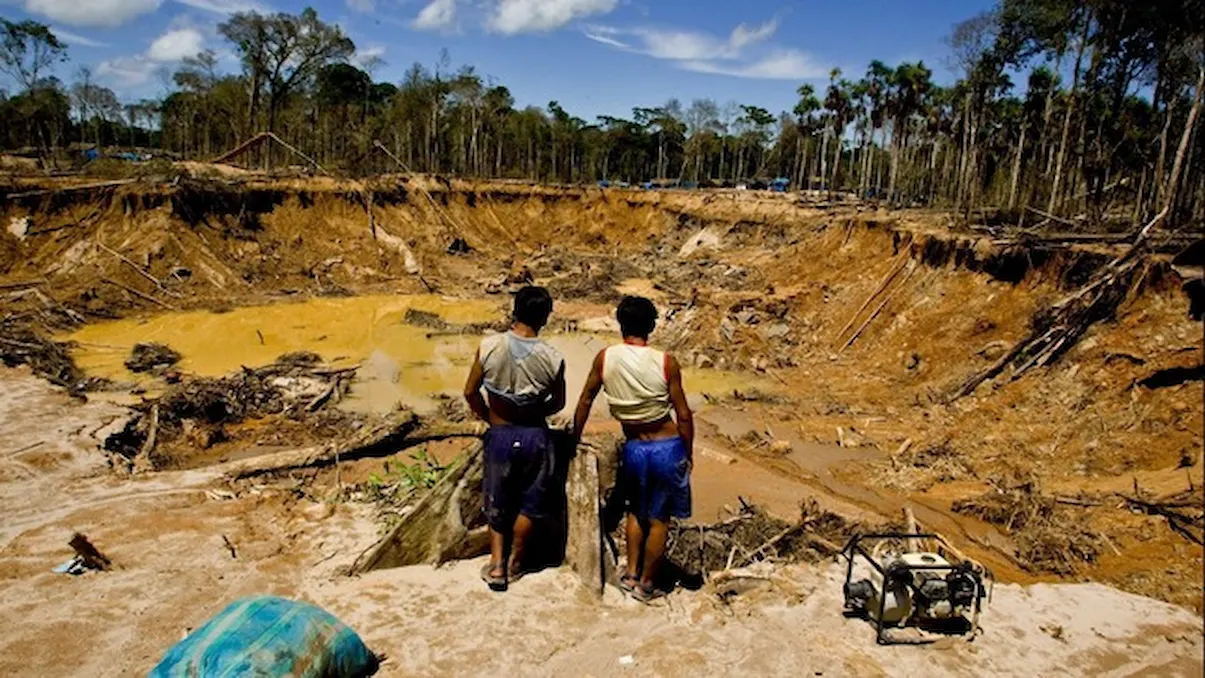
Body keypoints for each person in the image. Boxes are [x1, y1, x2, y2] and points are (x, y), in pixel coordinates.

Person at [573, 296, 693, 602]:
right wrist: (688, 452)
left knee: (636, 512)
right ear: (652, 326)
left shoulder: (605, 358)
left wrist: (574, 437)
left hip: (635, 447)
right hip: (666, 447)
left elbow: (585, 399)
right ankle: (647, 583)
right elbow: (683, 414)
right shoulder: (665, 362)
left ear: (620, 324)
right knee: (659, 518)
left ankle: (630, 573)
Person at [464, 286, 567, 592]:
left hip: (500, 434)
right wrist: (532, 411)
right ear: (545, 317)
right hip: (536, 437)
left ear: (514, 311)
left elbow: (470, 392)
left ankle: (496, 565)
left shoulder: (489, 347)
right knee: (531, 502)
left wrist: (489, 416)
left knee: (497, 499)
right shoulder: (553, 357)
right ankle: (516, 562)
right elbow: (558, 402)